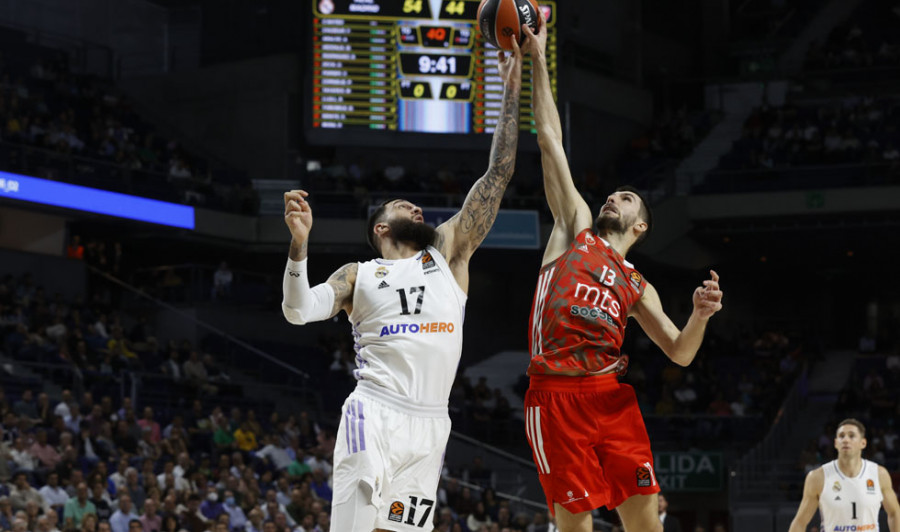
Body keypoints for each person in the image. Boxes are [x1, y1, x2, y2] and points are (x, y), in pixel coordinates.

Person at [280, 36, 525, 532]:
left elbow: (498, 174)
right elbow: (298, 310)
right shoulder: (360, 274)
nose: (416, 207)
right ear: (381, 229)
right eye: (401, 205)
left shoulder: (449, 253)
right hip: (375, 412)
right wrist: (300, 244)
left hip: (432, 425)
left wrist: (509, 85)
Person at [519, 11, 724, 532]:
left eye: (626, 198)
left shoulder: (637, 284)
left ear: (641, 227)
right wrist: (538, 58)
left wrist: (699, 315)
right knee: (576, 526)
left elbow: (679, 351)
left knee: (645, 522)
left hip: (611, 399)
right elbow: (549, 139)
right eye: (614, 193)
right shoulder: (576, 229)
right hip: (556, 397)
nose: (614, 196)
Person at [788, 418, 900, 532]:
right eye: (841, 436)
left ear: (863, 443)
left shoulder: (879, 474)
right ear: (836, 443)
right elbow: (800, 522)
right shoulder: (817, 477)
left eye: (851, 436)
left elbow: (894, 512)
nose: (846, 440)